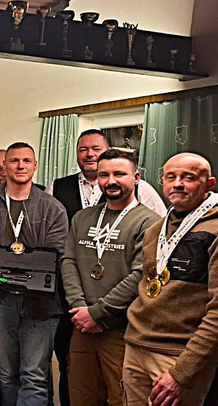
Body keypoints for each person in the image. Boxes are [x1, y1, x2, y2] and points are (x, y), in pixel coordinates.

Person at [47, 129, 165, 406]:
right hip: (82, 326)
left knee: (121, 398)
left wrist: (98, 313)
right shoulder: (82, 218)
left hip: (122, 328)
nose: (111, 181)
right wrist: (80, 309)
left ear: (136, 178)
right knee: (81, 396)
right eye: (104, 175)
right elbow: (68, 261)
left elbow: (140, 274)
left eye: (119, 174)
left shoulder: (149, 222)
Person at [0, 142, 68, 406]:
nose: (20, 166)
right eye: (14, 161)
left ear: (35, 166)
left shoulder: (52, 207)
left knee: (34, 374)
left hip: (41, 303)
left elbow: (57, 253)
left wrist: (24, 275)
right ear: (5, 166)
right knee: (7, 374)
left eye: (26, 161)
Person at [123, 152, 218, 405]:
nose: (178, 184)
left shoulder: (214, 229)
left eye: (188, 177)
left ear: (209, 184)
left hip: (178, 355)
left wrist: (182, 374)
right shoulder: (157, 228)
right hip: (137, 346)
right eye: (170, 177)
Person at [48, 129, 166, 220]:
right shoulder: (56, 187)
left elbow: (161, 223)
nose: (89, 154)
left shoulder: (138, 187)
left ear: (108, 151)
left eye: (96, 149)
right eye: (83, 150)